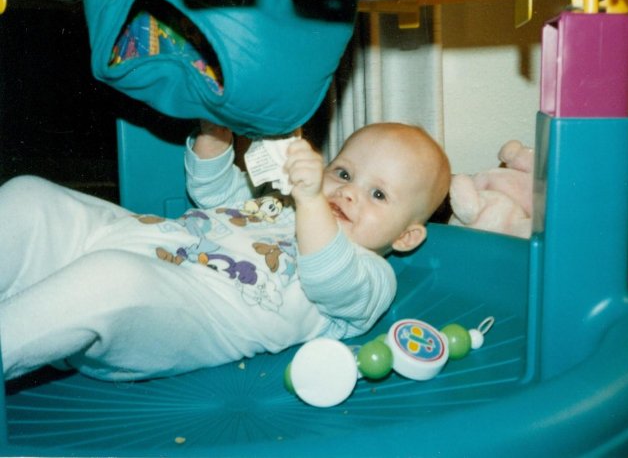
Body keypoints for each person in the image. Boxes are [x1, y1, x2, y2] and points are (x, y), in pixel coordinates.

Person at [0, 121, 450, 382]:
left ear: (406, 237)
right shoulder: (280, 207)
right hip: (136, 237)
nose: (349, 193)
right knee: (29, 197)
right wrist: (214, 132)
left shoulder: (371, 276)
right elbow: (214, 192)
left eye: (378, 195)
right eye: (344, 174)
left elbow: (327, 273)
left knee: (111, 278)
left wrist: (313, 200)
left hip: (180, 313)